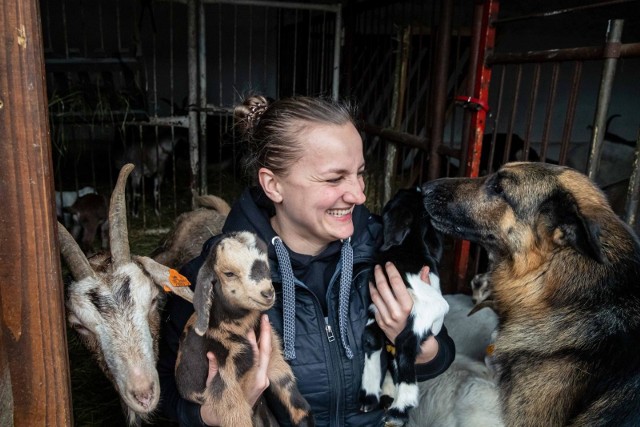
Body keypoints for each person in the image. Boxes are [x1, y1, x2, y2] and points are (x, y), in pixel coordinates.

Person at [157, 95, 455, 426]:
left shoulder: (386, 252)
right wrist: (209, 416)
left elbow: (442, 353)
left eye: (359, 173)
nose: (359, 195)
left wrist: (421, 344)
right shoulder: (216, 279)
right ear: (273, 185)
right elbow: (165, 394)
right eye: (334, 178)